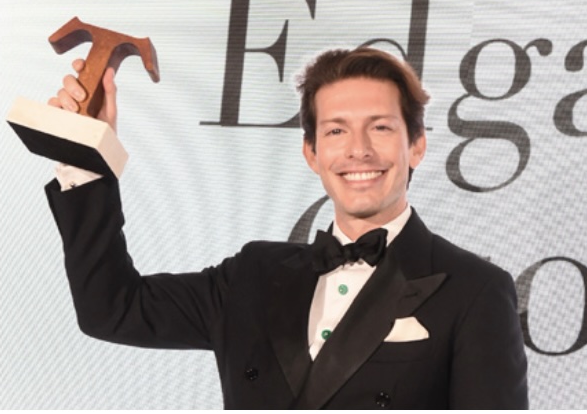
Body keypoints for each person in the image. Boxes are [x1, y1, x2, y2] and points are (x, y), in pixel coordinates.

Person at [46, 47, 528, 409]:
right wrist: (86, 155)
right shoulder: (253, 274)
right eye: (336, 130)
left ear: (416, 146)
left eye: (380, 127)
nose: (358, 149)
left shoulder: (475, 291)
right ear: (312, 153)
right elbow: (111, 309)